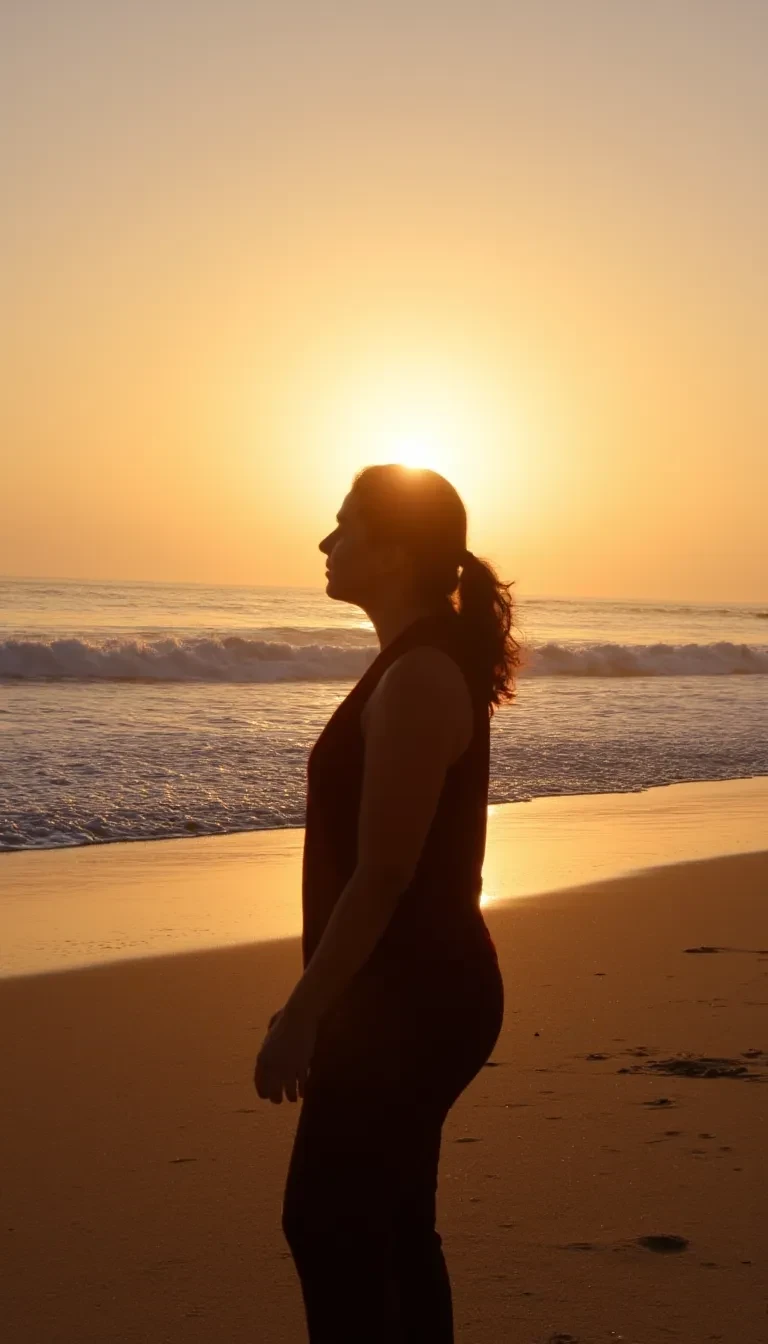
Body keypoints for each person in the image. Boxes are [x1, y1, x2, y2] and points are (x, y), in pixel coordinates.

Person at [254, 463, 521, 1342]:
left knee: (329, 1225)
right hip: (404, 992)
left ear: (398, 553)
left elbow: (383, 877)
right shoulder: (419, 661)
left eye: (346, 527)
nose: (327, 543)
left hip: (413, 1001)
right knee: (393, 1225)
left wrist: (303, 1011)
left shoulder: (419, 678)